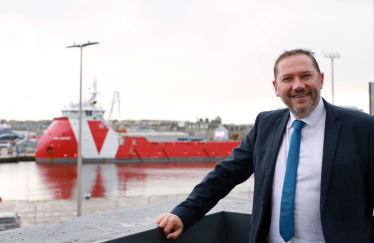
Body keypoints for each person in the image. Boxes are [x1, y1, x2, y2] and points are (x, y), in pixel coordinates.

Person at [156, 49, 374, 243]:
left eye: (306, 76)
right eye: (288, 78)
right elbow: (225, 174)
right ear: (276, 87)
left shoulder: (362, 127)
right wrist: (183, 213)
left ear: (321, 79)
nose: (298, 85)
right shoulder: (266, 124)